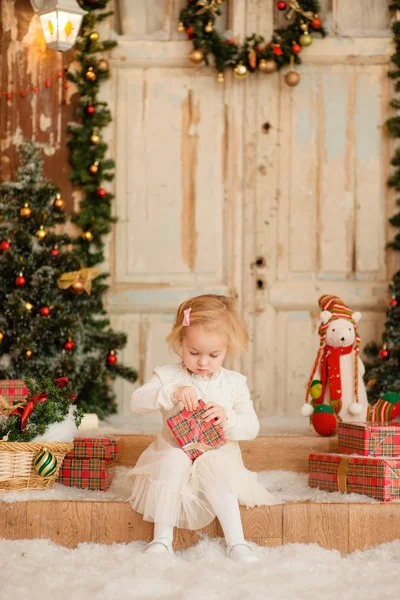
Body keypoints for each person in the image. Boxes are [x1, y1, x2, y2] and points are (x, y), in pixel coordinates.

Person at [129, 294, 280, 562]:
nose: (203, 362)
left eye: (214, 354)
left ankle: (237, 542)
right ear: (180, 343)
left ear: (227, 348)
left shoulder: (233, 383)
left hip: (217, 464)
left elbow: (252, 427)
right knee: (175, 458)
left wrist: (227, 417)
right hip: (172, 462)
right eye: (194, 352)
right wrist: (171, 392)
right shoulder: (169, 376)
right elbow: (136, 402)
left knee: (213, 461)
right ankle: (162, 540)